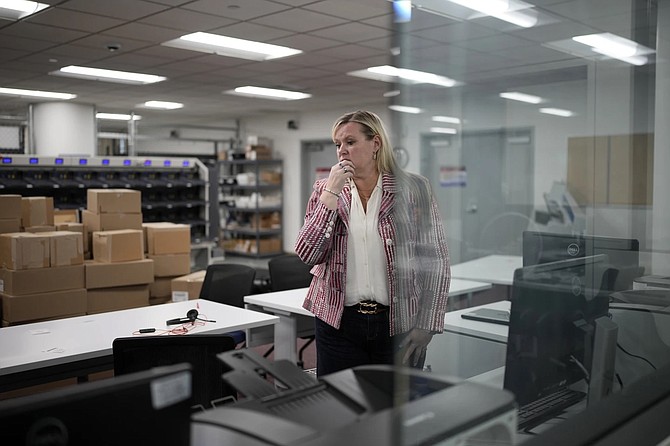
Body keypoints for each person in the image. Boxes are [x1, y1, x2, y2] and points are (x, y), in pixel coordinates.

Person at [294, 110, 451, 376]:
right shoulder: (325, 189)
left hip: (398, 322)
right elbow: (308, 252)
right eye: (338, 144)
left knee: (394, 411)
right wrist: (331, 193)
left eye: (350, 142)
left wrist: (427, 323)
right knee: (341, 406)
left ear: (375, 144)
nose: (342, 150)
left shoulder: (414, 189)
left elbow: (435, 260)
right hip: (337, 321)